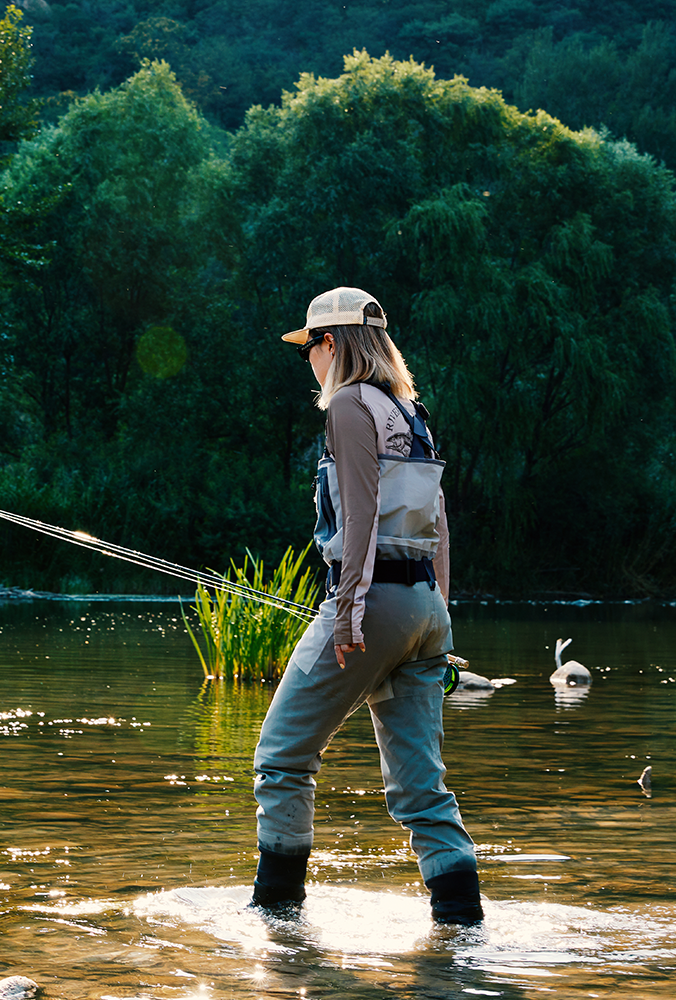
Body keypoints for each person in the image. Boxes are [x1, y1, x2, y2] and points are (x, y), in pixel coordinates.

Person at [249, 286, 483, 926]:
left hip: (370, 604)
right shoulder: (409, 411)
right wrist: (440, 619)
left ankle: (277, 915)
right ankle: (462, 925)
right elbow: (438, 524)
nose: (310, 363)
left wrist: (349, 612)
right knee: (420, 789)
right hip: (424, 610)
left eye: (309, 350)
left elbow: (357, 519)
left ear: (332, 343)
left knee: (281, 759)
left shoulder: (350, 405)